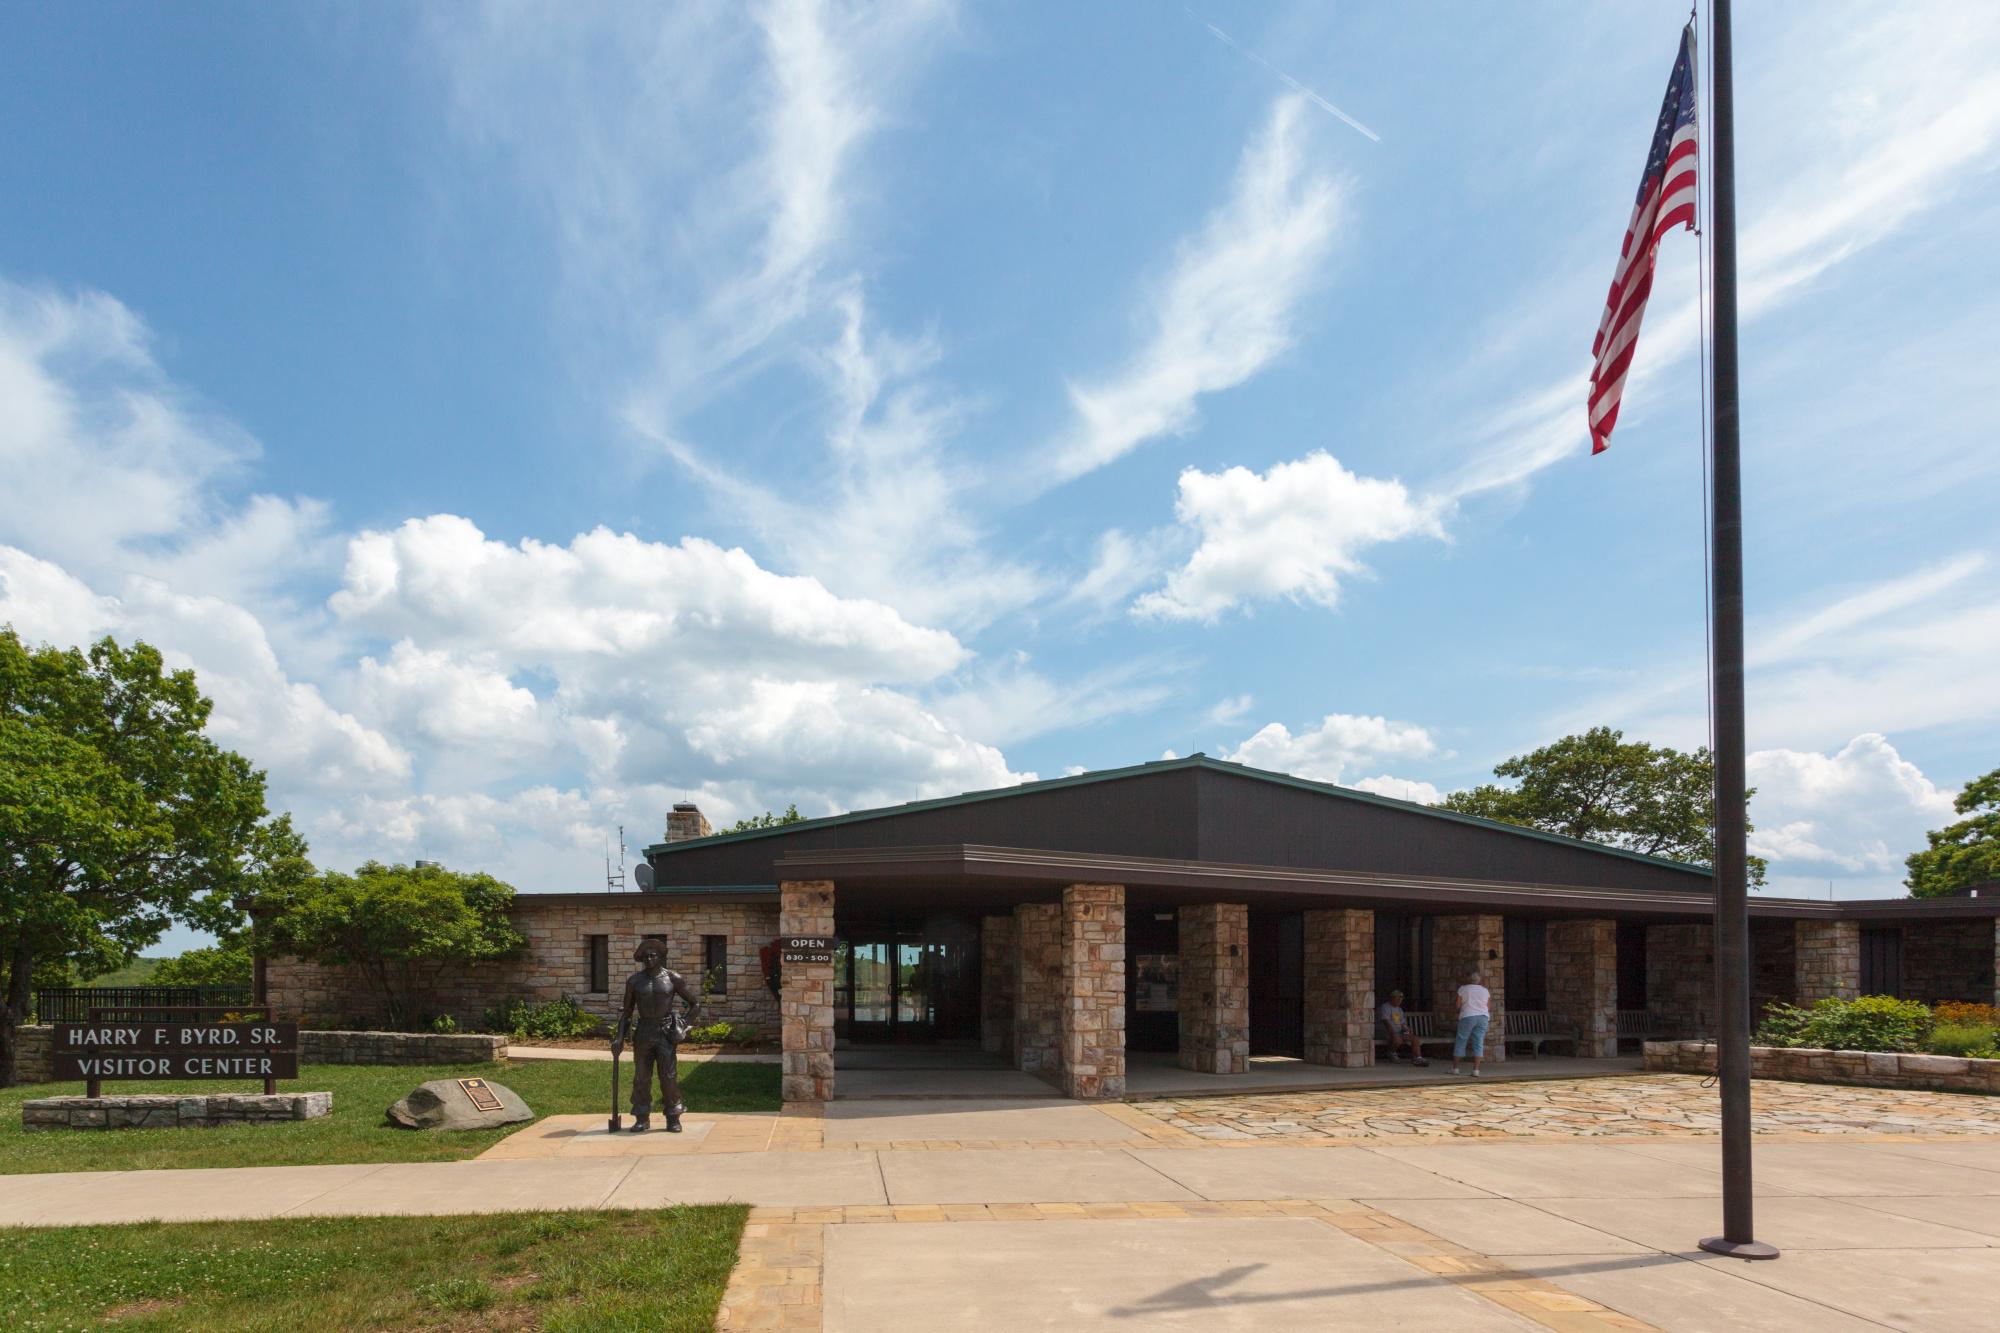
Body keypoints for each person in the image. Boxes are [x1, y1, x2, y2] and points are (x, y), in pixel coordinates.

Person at [612, 938, 702, 1131]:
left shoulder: (672, 978)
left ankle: (673, 1116)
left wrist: (683, 1026)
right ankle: (642, 1116)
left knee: (668, 1076)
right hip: (644, 1031)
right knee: (641, 1077)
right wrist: (619, 1037)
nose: (649, 959)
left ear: (660, 957)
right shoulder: (634, 981)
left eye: (653, 955)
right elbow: (627, 1012)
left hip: (665, 1032)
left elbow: (695, 1004)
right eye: (645, 956)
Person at [1451, 970, 1491, 1077]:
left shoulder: (1463, 989)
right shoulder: (1485, 990)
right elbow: (1488, 1006)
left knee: (1461, 1040)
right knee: (1478, 1042)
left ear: (1469, 979)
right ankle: (1476, 1070)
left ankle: (1455, 1068)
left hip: (1468, 1016)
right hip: (1483, 1017)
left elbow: (1458, 1005)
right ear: (1479, 980)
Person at [1376, 989, 1428, 1066]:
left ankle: (1418, 1058)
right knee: (1398, 1040)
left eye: (1401, 999)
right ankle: (1391, 1052)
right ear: (1392, 998)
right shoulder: (1385, 1007)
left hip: (1399, 1032)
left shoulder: (1399, 1009)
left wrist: (1406, 1029)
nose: (1400, 1000)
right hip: (1386, 1032)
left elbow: (1402, 1023)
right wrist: (1394, 1034)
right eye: (1398, 998)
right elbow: (1386, 1022)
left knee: (1415, 1039)